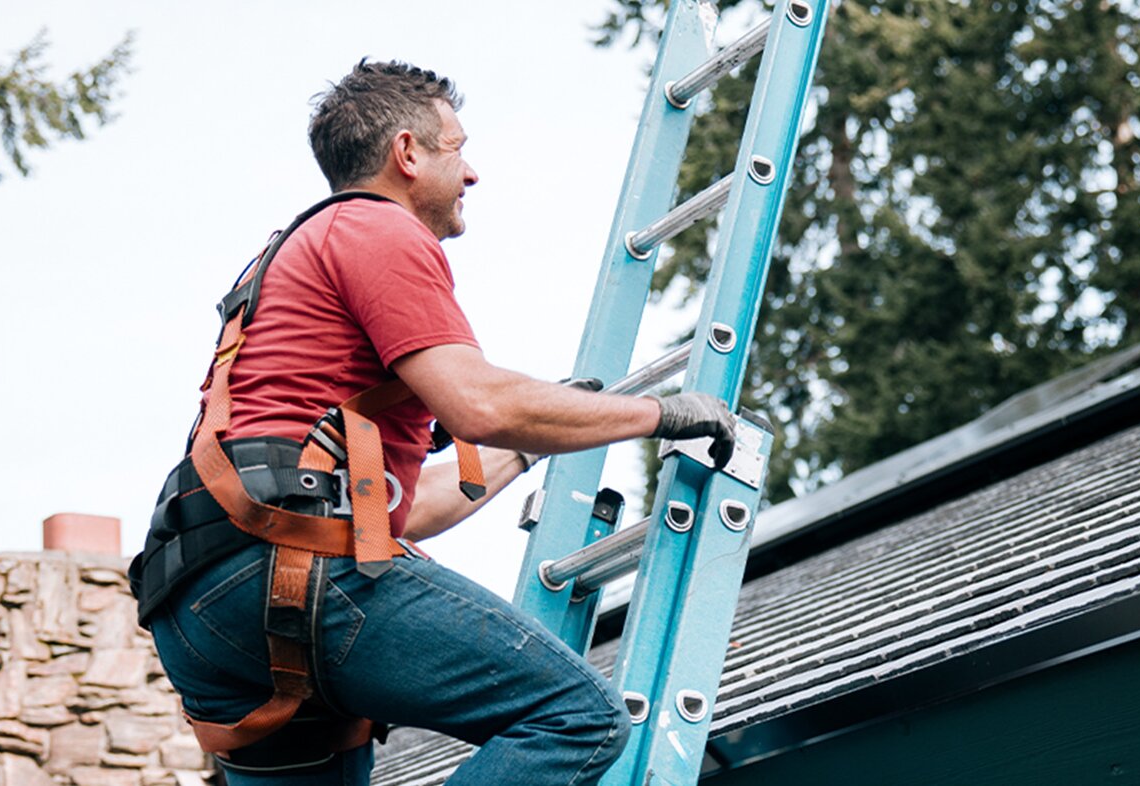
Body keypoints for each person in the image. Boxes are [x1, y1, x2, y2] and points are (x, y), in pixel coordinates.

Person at [131, 59, 738, 786]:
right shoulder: (377, 229)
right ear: (408, 153)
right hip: (289, 568)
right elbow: (479, 404)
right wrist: (661, 413)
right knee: (578, 718)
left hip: (204, 610)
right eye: (459, 149)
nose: (473, 173)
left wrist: (528, 453)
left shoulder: (288, 268)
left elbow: (403, 513)